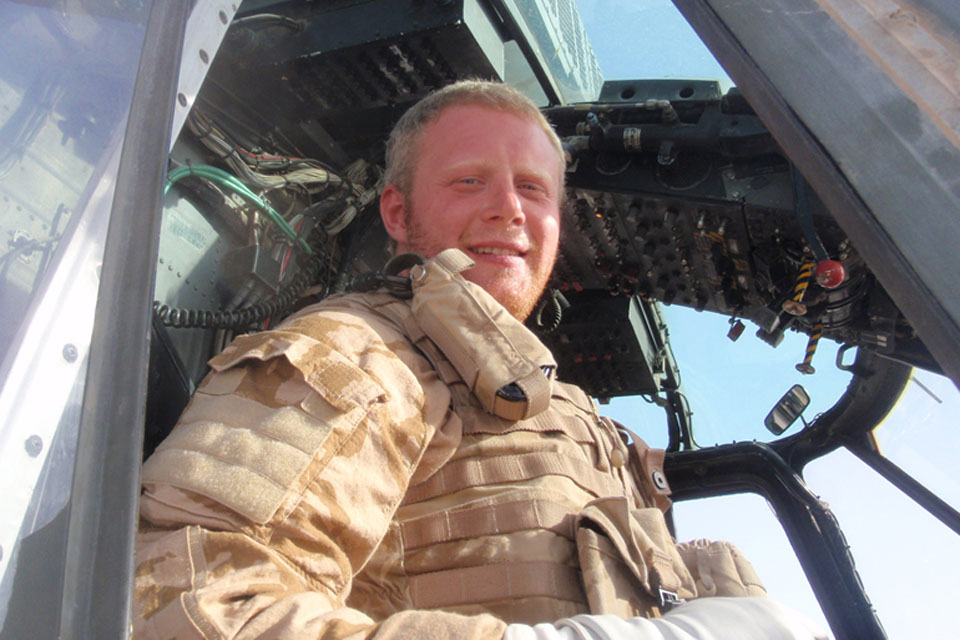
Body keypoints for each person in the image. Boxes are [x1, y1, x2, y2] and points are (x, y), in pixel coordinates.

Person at [134, 80, 828, 639]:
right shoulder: (365, 351)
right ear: (399, 215)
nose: (509, 209)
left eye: (533, 189)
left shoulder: (585, 424)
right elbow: (182, 602)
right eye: (469, 182)